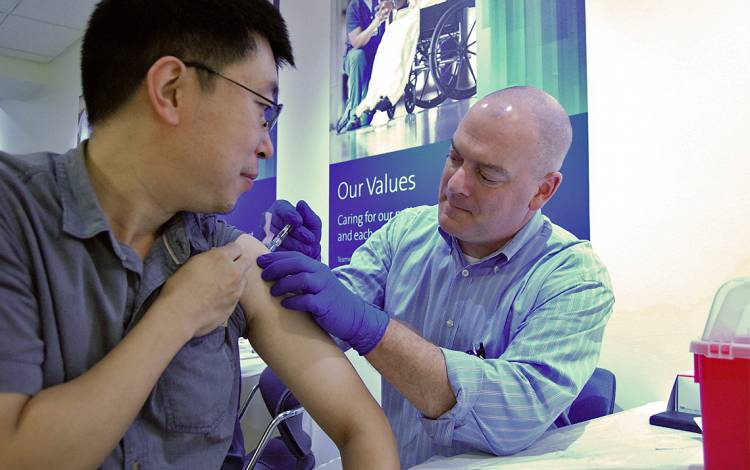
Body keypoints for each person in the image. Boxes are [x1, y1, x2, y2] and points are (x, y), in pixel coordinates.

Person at [0, 1, 399, 469]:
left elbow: (362, 427)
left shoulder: (226, 253)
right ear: (172, 90)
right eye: (262, 110)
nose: (267, 142)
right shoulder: (17, 214)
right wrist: (176, 316)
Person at [260, 86, 615, 468]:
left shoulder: (575, 278)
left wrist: (372, 329)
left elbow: (516, 413)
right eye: (454, 157)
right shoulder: (404, 234)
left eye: (487, 175)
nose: (456, 185)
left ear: (542, 191)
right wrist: (305, 284)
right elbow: (321, 337)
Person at [335, 0, 392, 133]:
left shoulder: (382, 3)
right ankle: (353, 112)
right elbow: (357, 42)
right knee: (358, 56)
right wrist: (376, 22)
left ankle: (350, 108)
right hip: (355, 59)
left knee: (365, 120)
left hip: (374, 61)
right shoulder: (354, 7)